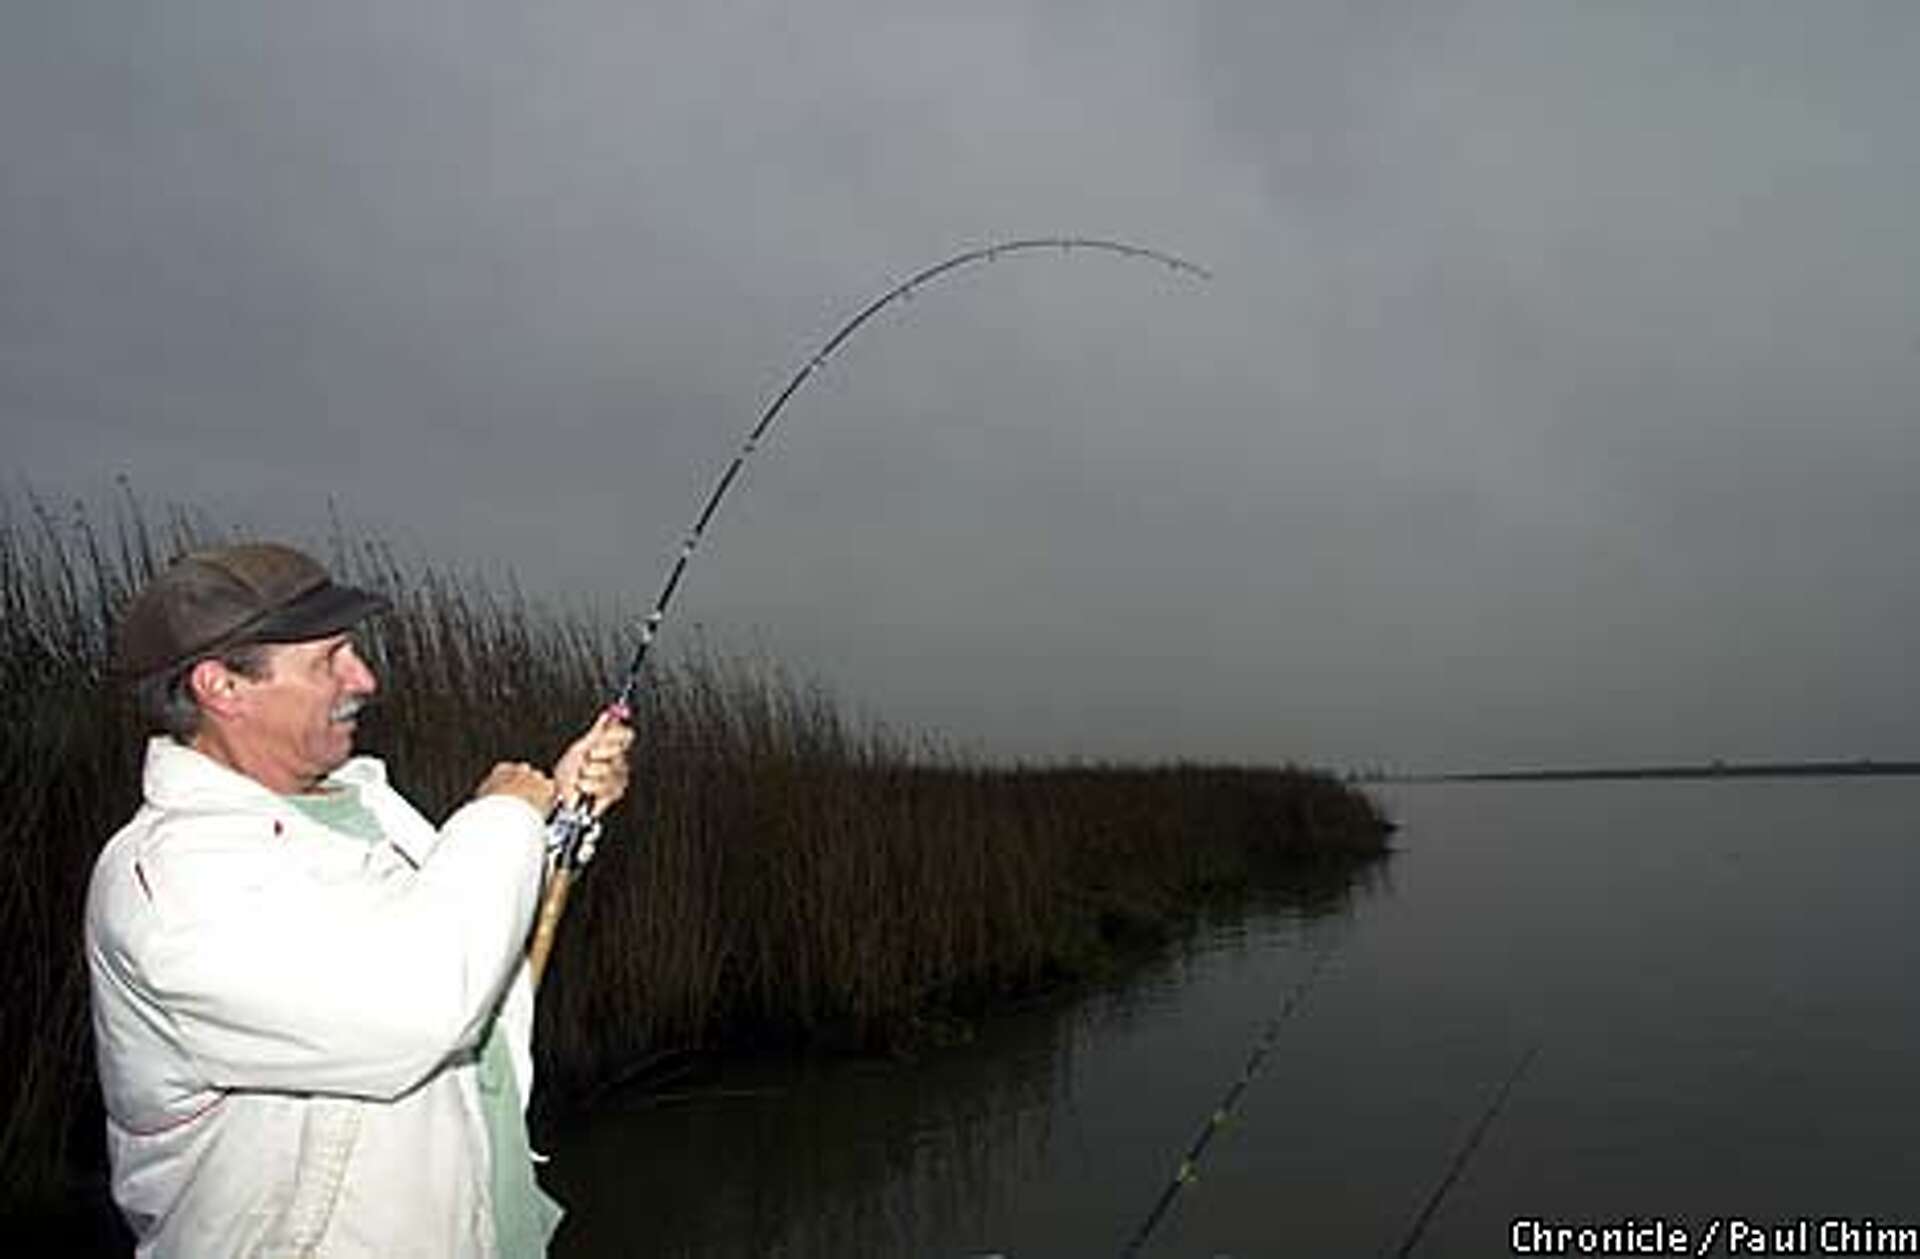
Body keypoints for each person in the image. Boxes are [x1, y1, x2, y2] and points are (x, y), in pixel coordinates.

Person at [85, 542, 633, 1258]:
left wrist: (558, 817)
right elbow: (423, 1003)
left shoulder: (363, 801)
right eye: (330, 659)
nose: (365, 678)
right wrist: (502, 818)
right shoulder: (166, 884)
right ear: (222, 686)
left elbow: (464, 934)